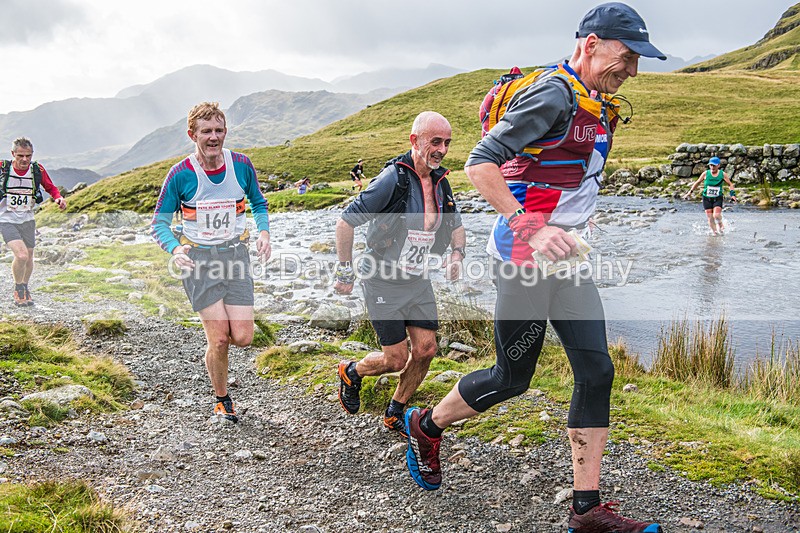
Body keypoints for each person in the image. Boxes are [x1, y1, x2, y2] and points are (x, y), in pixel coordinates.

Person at [404, 4, 665, 532]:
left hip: (568, 263)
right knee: (511, 378)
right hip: (524, 262)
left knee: (597, 371)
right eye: (627, 56)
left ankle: (586, 510)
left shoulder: (596, 101)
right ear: (591, 44)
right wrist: (532, 226)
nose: (633, 71)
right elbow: (480, 163)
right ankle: (425, 423)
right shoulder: (553, 93)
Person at [334, 111, 466, 437]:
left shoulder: (440, 181)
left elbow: (457, 225)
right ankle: (351, 371)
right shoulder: (394, 179)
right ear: (415, 140)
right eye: (435, 142)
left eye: (447, 142)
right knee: (396, 359)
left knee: (426, 350)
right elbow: (345, 222)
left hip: (417, 278)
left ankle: (396, 410)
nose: (442, 149)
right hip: (381, 277)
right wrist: (345, 271)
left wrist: (457, 254)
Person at [151, 102, 271, 423]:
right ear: (193, 134)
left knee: (243, 337)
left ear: (225, 132)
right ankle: (222, 398)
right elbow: (159, 223)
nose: (213, 137)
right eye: (206, 131)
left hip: (236, 257)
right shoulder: (180, 174)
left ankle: (214, 354)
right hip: (199, 261)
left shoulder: (242, 165)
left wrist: (264, 233)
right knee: (219, 338)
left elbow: (258, 202)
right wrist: (175, 249)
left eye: (219, 130)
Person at [0, 137, 67, 306]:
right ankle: (18, 289)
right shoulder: (3, 169)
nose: (24, 160)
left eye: (28, 156)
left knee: (29, 257)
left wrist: (58, 198)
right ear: (13, 154)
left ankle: (25, 287)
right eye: (20, 155)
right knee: (21, 255)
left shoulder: (37, 169)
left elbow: (50, 187)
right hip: (6, 219)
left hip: (28, 219)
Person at [683, 156, 737, 235]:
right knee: (710, 218)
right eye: (711, 165)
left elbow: (730, 184)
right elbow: (697, 182)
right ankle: (715, 234)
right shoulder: (705, 173)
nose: (712, 167)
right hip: (706, 198)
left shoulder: (722, 174)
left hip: (717, 198)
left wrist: (732, 195)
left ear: (718, 165)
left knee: (716, 215)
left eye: (714, 165)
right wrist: (690, 192)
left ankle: (721, 224)